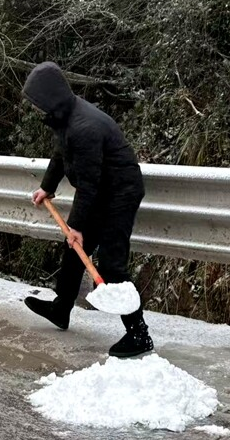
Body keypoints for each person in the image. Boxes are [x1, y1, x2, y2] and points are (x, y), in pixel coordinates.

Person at [21, 61, 153, 358]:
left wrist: (77, 226)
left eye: (38, 103)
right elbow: (60, 153)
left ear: (51, 98)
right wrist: (48, 187)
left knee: (110, 265)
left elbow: (90, 184)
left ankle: (139, 334)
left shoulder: (85, 127)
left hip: (119, 193)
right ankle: (61, 308)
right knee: (73, 249)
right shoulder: (67, 118)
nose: (36, 109)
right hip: (101, 191)